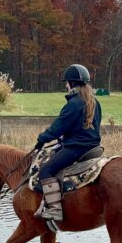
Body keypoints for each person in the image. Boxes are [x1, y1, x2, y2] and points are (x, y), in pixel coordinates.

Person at [33, 64, 102, 222]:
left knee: (45, 171)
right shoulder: (94, 102)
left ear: (71, 83)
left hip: (76, 148)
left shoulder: (74, 104)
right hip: (93, 148)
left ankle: (55, 210)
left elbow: (57, 128)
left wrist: (41, 140)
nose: (65, 86)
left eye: (66, 83)